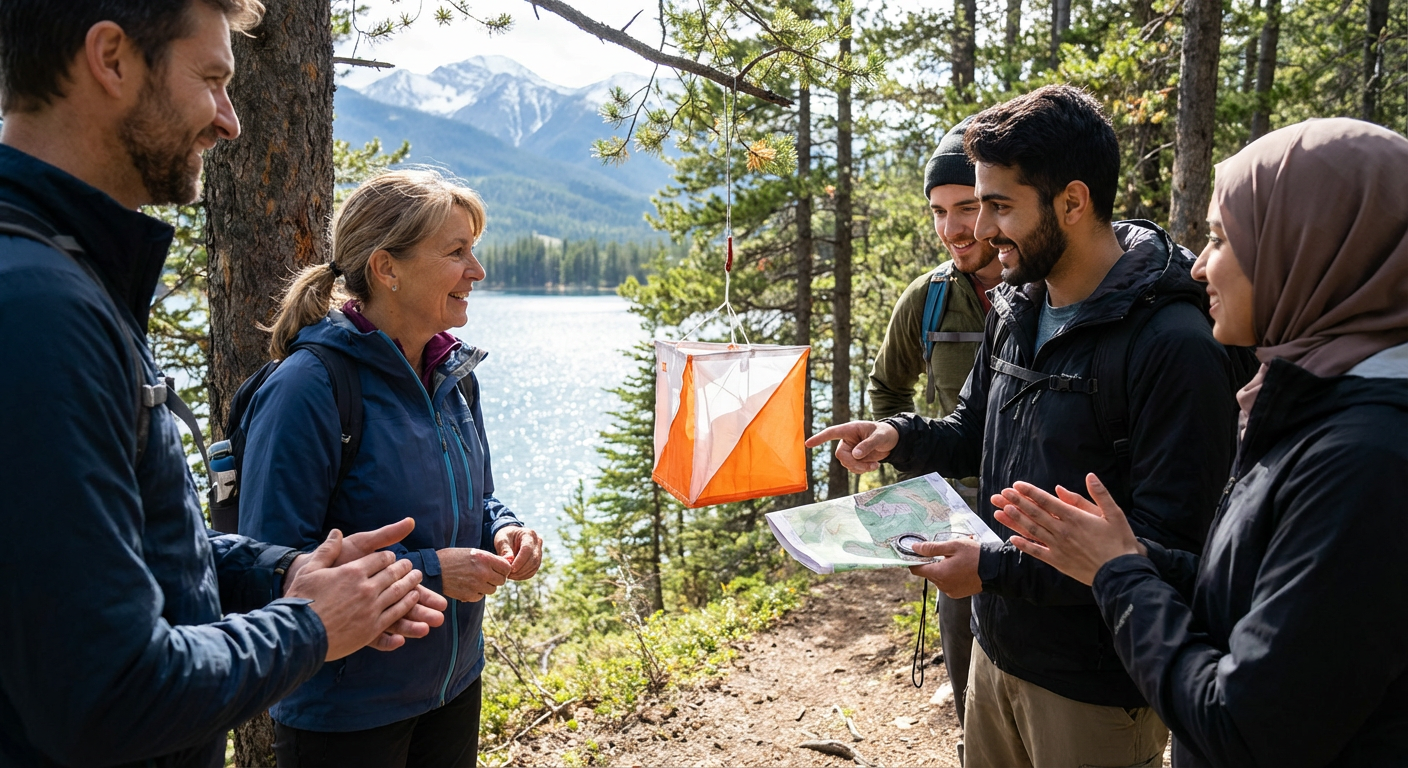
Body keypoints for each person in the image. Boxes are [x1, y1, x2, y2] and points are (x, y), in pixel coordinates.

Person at [0, 2, 447, 766]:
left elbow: (137, 554)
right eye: (212, 79)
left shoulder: (63, 277)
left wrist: (282, 571)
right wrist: (310, 625)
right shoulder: (38, 308)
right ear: (111, 60)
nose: (229, 122)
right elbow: (105, 693)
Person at [808, 85, 1244, 768]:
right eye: (974, 205)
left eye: (999, 206)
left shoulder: (1174, 345)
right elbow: (970, 429)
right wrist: (900, 435)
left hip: (1096, 687)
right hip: (996, 649)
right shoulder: (1016, 306)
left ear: (1072, 202)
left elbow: (1168, 556)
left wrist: (990, 567)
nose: (979, 230)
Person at [993, 118, 1408, 767]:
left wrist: (1120, 575)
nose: (1201, 264)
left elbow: (1246, 726)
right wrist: (1123, 556)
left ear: (1308, 247)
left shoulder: (1366, 459)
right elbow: (1247, 592)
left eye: (1222, 237)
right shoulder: (1318, 407)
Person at [238, 168, 544, 767]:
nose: (476, 271)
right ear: (387, 268)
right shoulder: (310, 387)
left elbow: (476, 498)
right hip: (346, 712)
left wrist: (503, 527)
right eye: (457, 252)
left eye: (473, 251)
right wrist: (431, 572)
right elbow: (273, 563)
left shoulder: (453, 375)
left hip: (452, 686)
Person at [866, 115, 1003, 731]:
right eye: (938, 211)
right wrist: (909, 475)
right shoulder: (927, 298)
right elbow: (886, 387)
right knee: (969, 690)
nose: (953, 228)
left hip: (1034, 519)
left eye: (966, 207)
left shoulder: (1047, 287)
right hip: (959, 523)